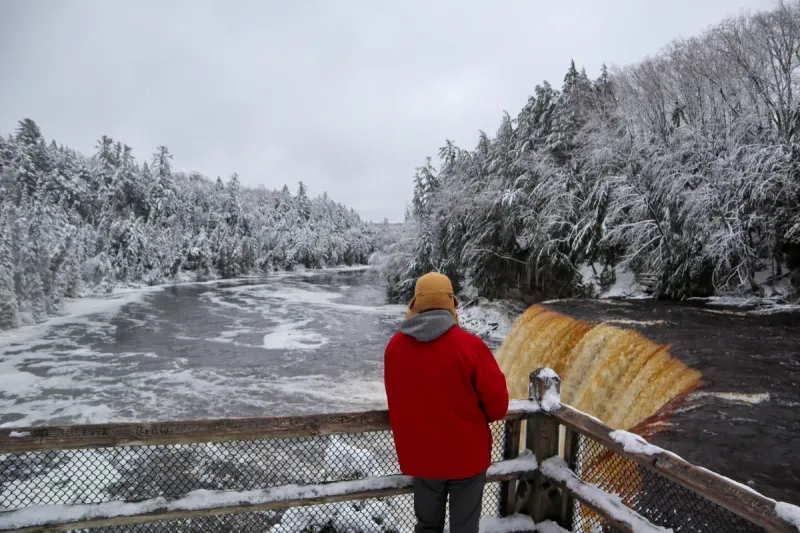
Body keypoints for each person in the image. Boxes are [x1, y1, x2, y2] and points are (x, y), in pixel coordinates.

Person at [383, 272, 509, 533]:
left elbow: (398, 398)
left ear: (415, 302)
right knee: (464, 528)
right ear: (451, 302)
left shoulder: (395, 347)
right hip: (467, 457)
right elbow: (497, 407)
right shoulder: (470, 347)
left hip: (423, 457)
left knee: (427, 526)